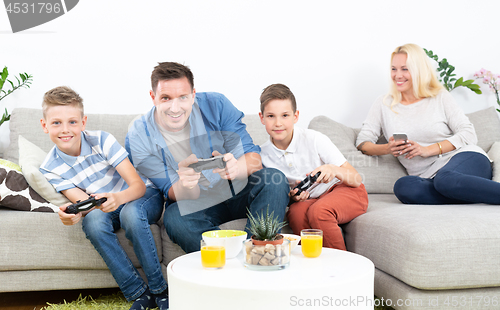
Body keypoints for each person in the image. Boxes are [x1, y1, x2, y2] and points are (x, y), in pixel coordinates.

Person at [126, 62, 290, 253]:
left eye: (183, 97)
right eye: (165, 98)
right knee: (174, 218)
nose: (175, 108)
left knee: (274, 180)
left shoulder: (216, 105)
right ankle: (227, 262)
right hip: (197, 200)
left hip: (236, 187)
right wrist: (187, 183)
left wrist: (236, 167)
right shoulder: (138, 137)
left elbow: (254, 160)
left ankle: (255, 253)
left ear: (193, 95)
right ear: (153, 97)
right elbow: (172, 191)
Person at [39, 86, 169, 310]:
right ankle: (139, 294)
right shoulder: (50, 168)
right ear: (45, 126)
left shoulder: (102, 141)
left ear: (83, 122)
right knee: (92, 222)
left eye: (72, 122)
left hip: (142, 195)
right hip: (106, 205)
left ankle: (160, 290)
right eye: (56, 123)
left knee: (130, 213)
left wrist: (118, 198)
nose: (65, 130)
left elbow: (137, 185)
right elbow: (85, 204)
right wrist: (73, 213)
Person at [356, 43, 500, 205]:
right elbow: (363, 142)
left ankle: (463, 189)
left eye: (405, 69)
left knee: (445, 180)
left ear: (418, 70)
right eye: (393, 69)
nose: (397, 75)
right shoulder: (384, 103)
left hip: (466, 159)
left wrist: (427, 150)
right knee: (404, 187)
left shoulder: (439, 97)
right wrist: (387, 149)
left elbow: (468, 133)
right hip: (428, 177)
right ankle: (469, 193)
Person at [258, 83, 368, 250]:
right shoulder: (262, 155)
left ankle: (340, 265)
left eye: (285, 115)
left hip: (345, 190)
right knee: (295, 213)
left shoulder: (314, 139)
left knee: (319, 211)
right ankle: (313, 263)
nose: (278, 123)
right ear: (262, 118)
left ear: (296, 116)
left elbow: (356, 179)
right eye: (271, 116)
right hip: (313, 199)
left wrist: (333, 169)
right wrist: (294, 197)